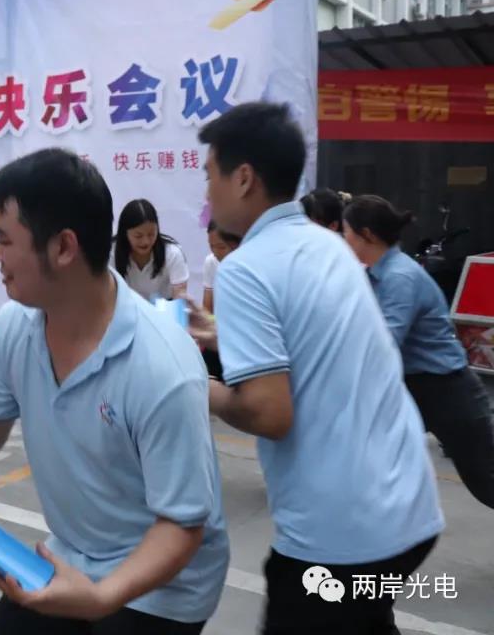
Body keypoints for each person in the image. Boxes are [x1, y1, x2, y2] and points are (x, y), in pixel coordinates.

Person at [0, 149, 229, 634]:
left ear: (63, 247)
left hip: (162, 589)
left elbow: (181, 526)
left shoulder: (162, 366)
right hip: (71, 557)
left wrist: (99, 599)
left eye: (5, 239)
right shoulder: (19, 324)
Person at [189, 102, 443, 634]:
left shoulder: (245, 268)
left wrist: (189, 380)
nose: (206, 192)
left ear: (243, 178)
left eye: (210, 175)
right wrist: (219, 334)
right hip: (408, 508)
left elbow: (268, 412)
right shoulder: (328, 246)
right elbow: (314, 339)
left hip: (338, 538)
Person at [343, 194, 494, 509]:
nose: (343, 239)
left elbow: (383, 343)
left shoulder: (399, 277)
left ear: (366, 234)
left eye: (347, 232)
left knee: (485, 481)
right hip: (415, 388)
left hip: (447, 391)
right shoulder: (376, 275)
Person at [113, 198, 188, 301]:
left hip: (164, 307)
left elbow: (180, 299)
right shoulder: (111, 253)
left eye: (151, 234)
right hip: (125, 306)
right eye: (138, 236)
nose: (146, 241)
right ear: (124, 233)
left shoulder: (172, 253)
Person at [201, 220, 241, 314]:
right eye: (211, 246)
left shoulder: (250, 266)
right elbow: (207, 310)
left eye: (221, 247)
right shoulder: (211, 262)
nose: (216, 252)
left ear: (237, 244)